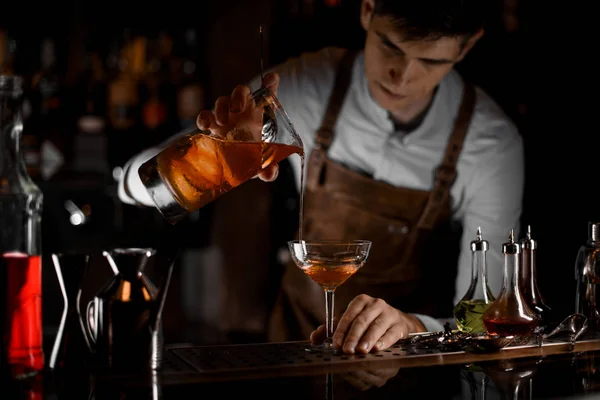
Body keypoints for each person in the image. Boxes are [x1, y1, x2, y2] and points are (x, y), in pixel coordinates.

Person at [118, 0, 524, 355]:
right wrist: (203, 153)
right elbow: (138, 184)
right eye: (390, 46)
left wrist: (413, 328)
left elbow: (484, 320)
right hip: (293, 352)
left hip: (409, 371)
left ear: (467, 46)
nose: (402, 75)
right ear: (367, 10)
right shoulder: (308, 86)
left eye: (431, 61)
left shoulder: (489, 144)